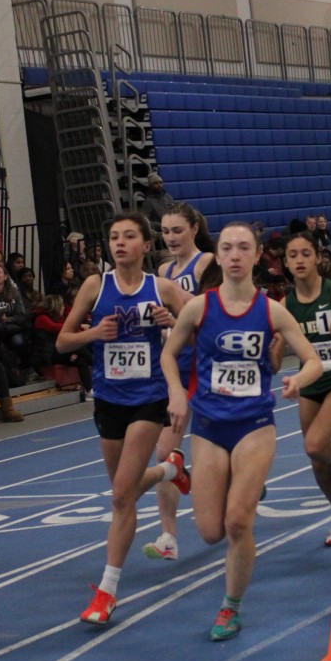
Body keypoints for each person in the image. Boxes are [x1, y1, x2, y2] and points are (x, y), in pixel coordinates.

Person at [161, 221, 323, 641]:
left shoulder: (272, 310)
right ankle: (237, 482)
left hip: (253, 424)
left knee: (236, 523)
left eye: (243, 248)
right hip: (209, 425)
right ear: (218, 256)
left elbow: (313, 360)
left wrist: (297, 379)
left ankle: (230, 607)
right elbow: (168, 354)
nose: (235, 255)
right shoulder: (199, 308)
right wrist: (176, 392)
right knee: (210, 532)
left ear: (256, 255)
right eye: (228, 247)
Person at [57, 212, 190, 628]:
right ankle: (169, 470)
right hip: (108, 400)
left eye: (129, 236)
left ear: (145, 245)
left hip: (149, 399)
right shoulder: (95, 286)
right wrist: (93, 334)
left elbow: (199, 329)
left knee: (119, 496)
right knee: (125, 491)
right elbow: (62, 342)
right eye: (114, 236)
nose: (119, 243)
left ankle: (107, 590)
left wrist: (173, 323)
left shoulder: (162, 288)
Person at [278, 231, 331, 545]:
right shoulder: (284, 305)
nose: (299, 260)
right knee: (316, 460)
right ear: (285, 263)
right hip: (311, 379)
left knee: (315, 444)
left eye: (305, 253)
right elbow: (274, 360)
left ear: (317, 258)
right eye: (292, 255)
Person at [141, 203, 215, 563]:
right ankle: (168, 535)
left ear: (194, 229)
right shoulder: (162, 270)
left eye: (177, 230)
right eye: (165, 231)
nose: (170, 238)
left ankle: (244, 476)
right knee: (163, 454)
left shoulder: (206, 263)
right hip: (175, 369)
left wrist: (178, 316)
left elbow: (215, 312)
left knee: (217, 449)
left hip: (207, 366)